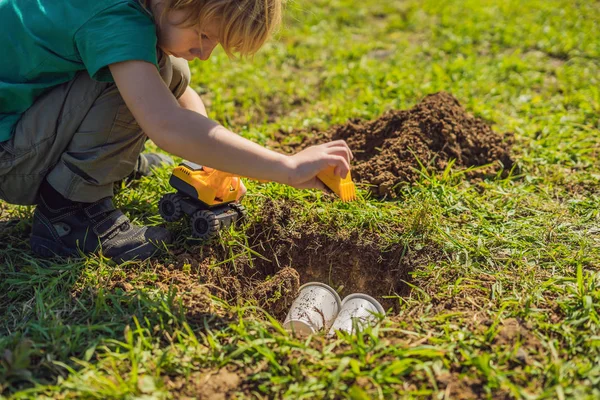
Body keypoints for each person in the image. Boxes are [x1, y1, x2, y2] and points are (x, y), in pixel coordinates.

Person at [0, 0, 353, 262]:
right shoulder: (115, 19)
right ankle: (69, 215)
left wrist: (202, 162)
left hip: (18, 125)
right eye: (204, 35)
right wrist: (286, 167)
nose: (205, 53)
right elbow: (168, 124)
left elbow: (182, 93)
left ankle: (101, 163)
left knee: (172, 69)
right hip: (10, 160)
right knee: (142, 72)